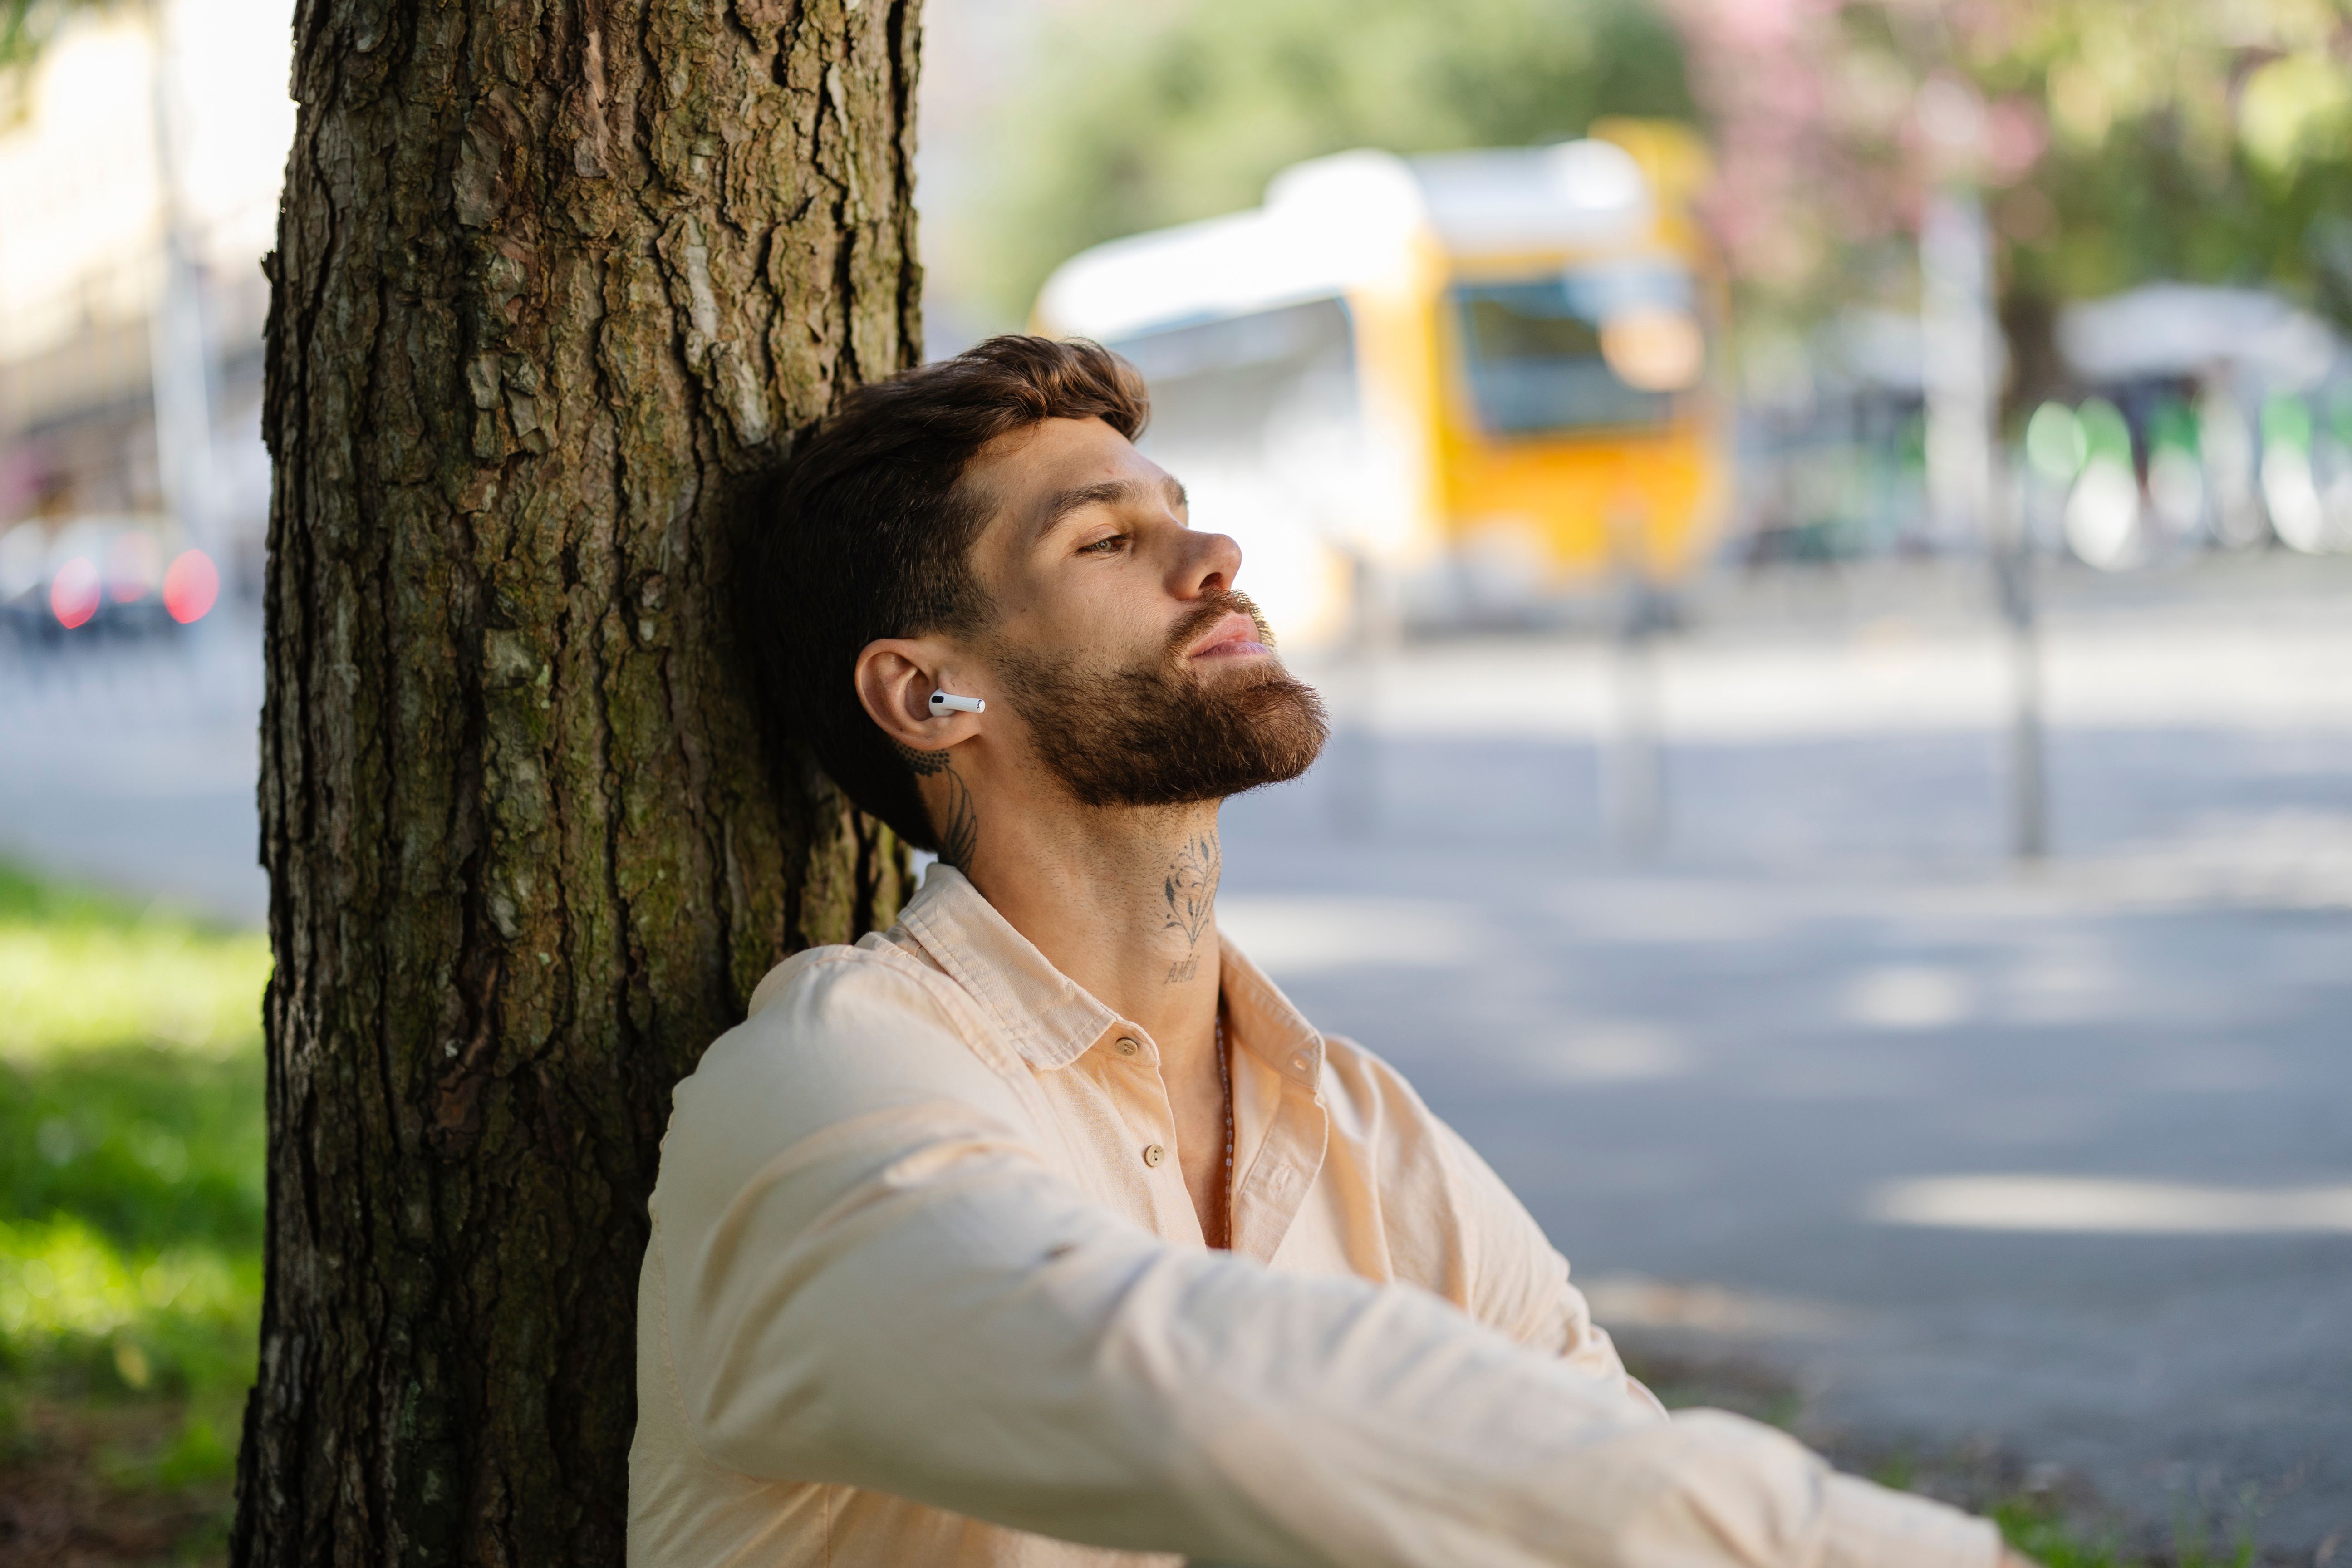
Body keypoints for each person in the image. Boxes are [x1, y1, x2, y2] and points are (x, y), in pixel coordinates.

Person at [629, 336, 2014, 1568]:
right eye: (1105, 543)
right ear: (930, 692)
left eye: (1181, 513)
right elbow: (1180, 1385)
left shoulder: (1366, 1134)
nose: (1212, 555)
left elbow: (1586, 1460)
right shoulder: (823, 1087)